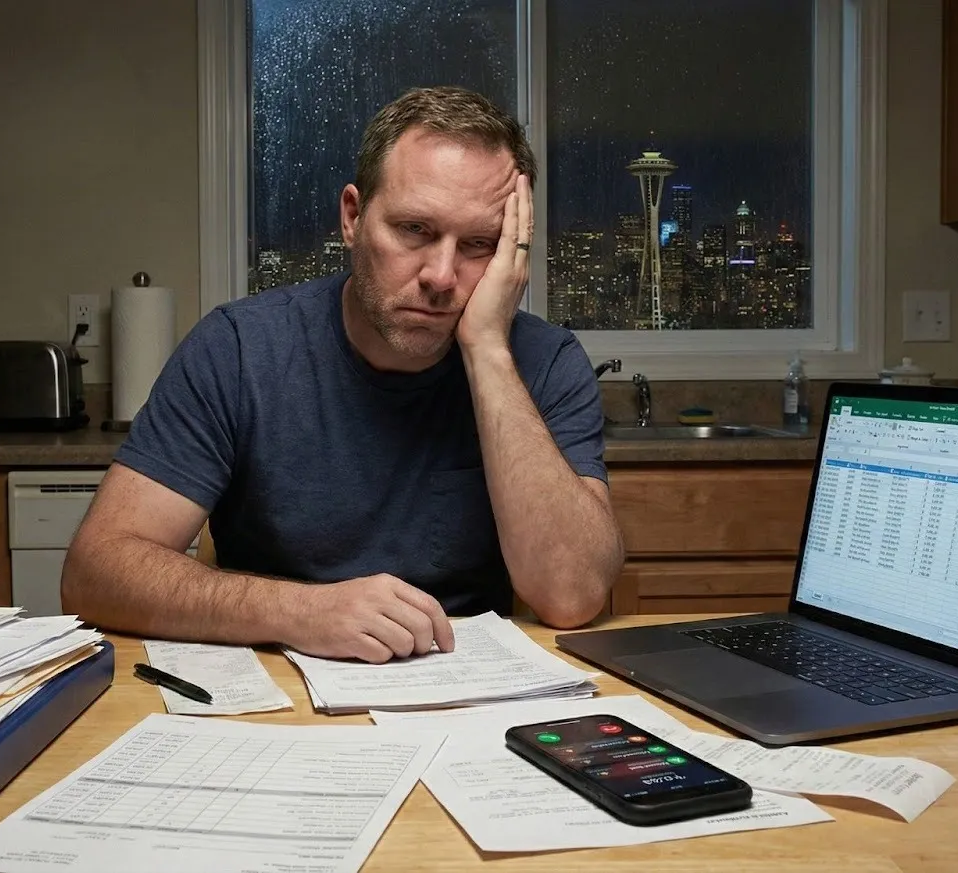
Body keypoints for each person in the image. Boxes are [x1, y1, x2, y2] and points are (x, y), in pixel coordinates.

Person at [61, 85, 624, 664]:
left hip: (467, 692)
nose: (440, 275)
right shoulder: (239, 349)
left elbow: (572, 596)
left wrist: (487, 350)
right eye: (414, 230)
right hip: (275, 681)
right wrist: (302, 611)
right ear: (354, 217)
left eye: (479, 245)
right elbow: (96, 571)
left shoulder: (545, 362)